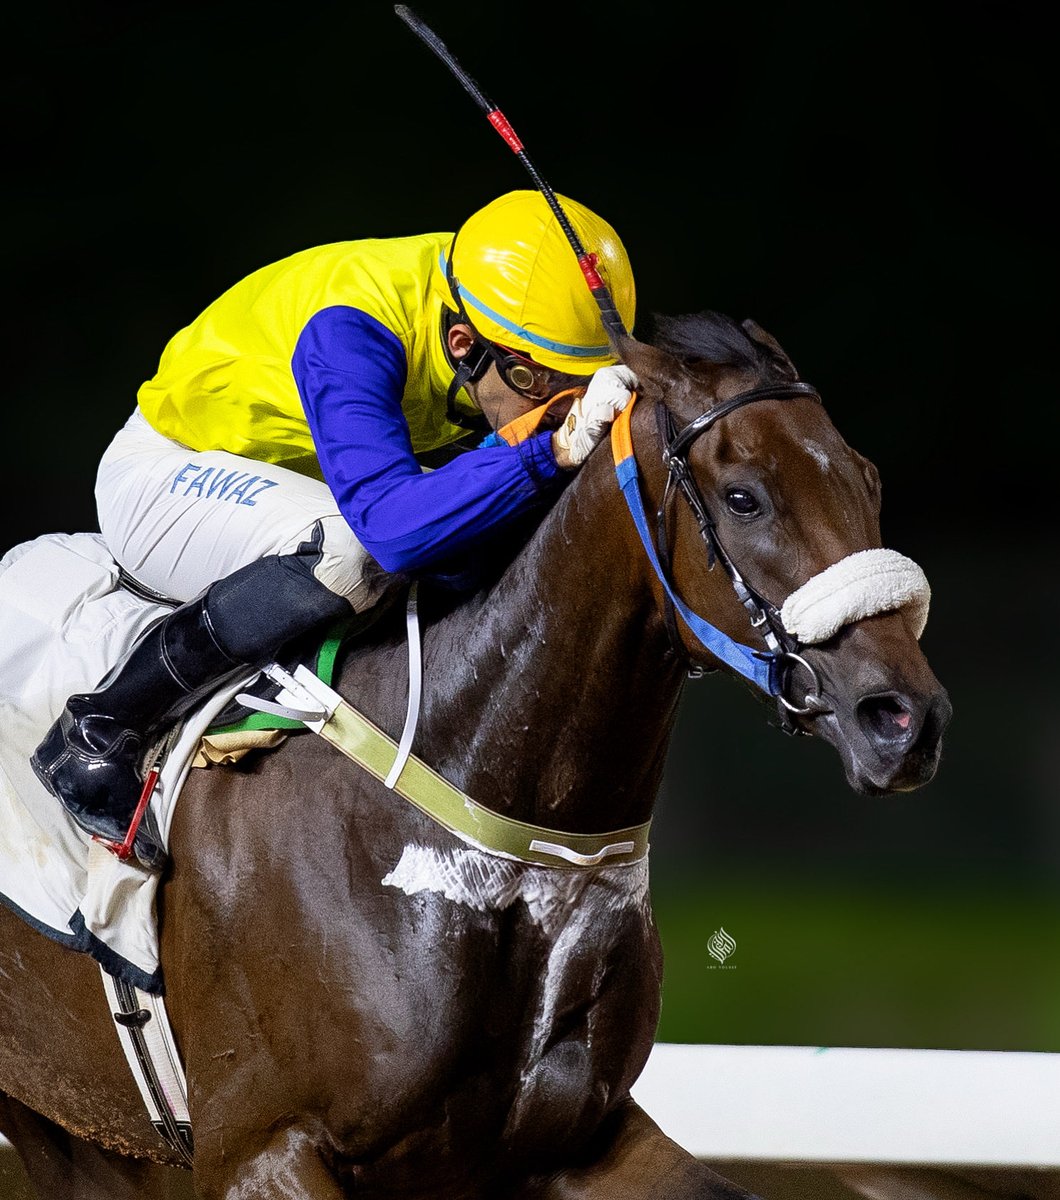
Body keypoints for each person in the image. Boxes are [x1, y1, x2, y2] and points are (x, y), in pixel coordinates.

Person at [30, 189, 638, 870]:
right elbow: (391, 529)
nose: (556, 406)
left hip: (291, 479)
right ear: (463, 345)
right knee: (345, 553)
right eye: (538, 383)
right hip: (165, 473)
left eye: (578, 385)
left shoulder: (494, 307)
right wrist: (550, 450)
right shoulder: (351, 329)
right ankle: (100, 729)